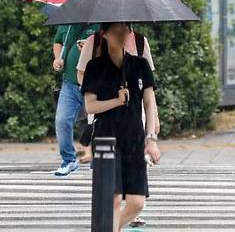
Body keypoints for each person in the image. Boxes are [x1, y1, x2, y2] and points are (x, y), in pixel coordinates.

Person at [81, 22, 161, 232]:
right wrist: (116, 101)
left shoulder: (140, 65)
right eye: (116, 31)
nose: (121, 35)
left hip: (134, 138)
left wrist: (151, 139)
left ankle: (113, 228)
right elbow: (90, 106)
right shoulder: (95, 67)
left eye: (125, 30)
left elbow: (150, 103)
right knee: (114, 199)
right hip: (106, 140)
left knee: (137, 203)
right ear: (104, 34)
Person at [52, 24, 98, 176]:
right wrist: (58, 58)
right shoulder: (68, 24)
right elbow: (58, 42)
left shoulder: (102, 23)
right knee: (62, 120)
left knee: (99, 122)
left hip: (95, 84)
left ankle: (102, 157)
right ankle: (69, 160)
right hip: (70, 82)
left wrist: (90, 50)